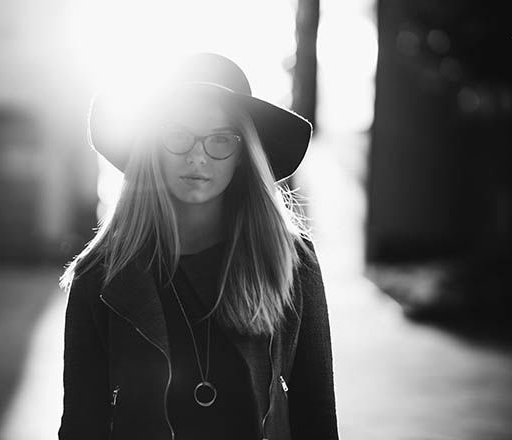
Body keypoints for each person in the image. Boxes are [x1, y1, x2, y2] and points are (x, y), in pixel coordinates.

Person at [58, 53, 338, 440]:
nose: (197, 156)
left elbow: (317, 415)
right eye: (178, 135)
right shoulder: (102, 275)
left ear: (243, 154)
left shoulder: (290, 262)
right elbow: (80, 424)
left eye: (220, 139)